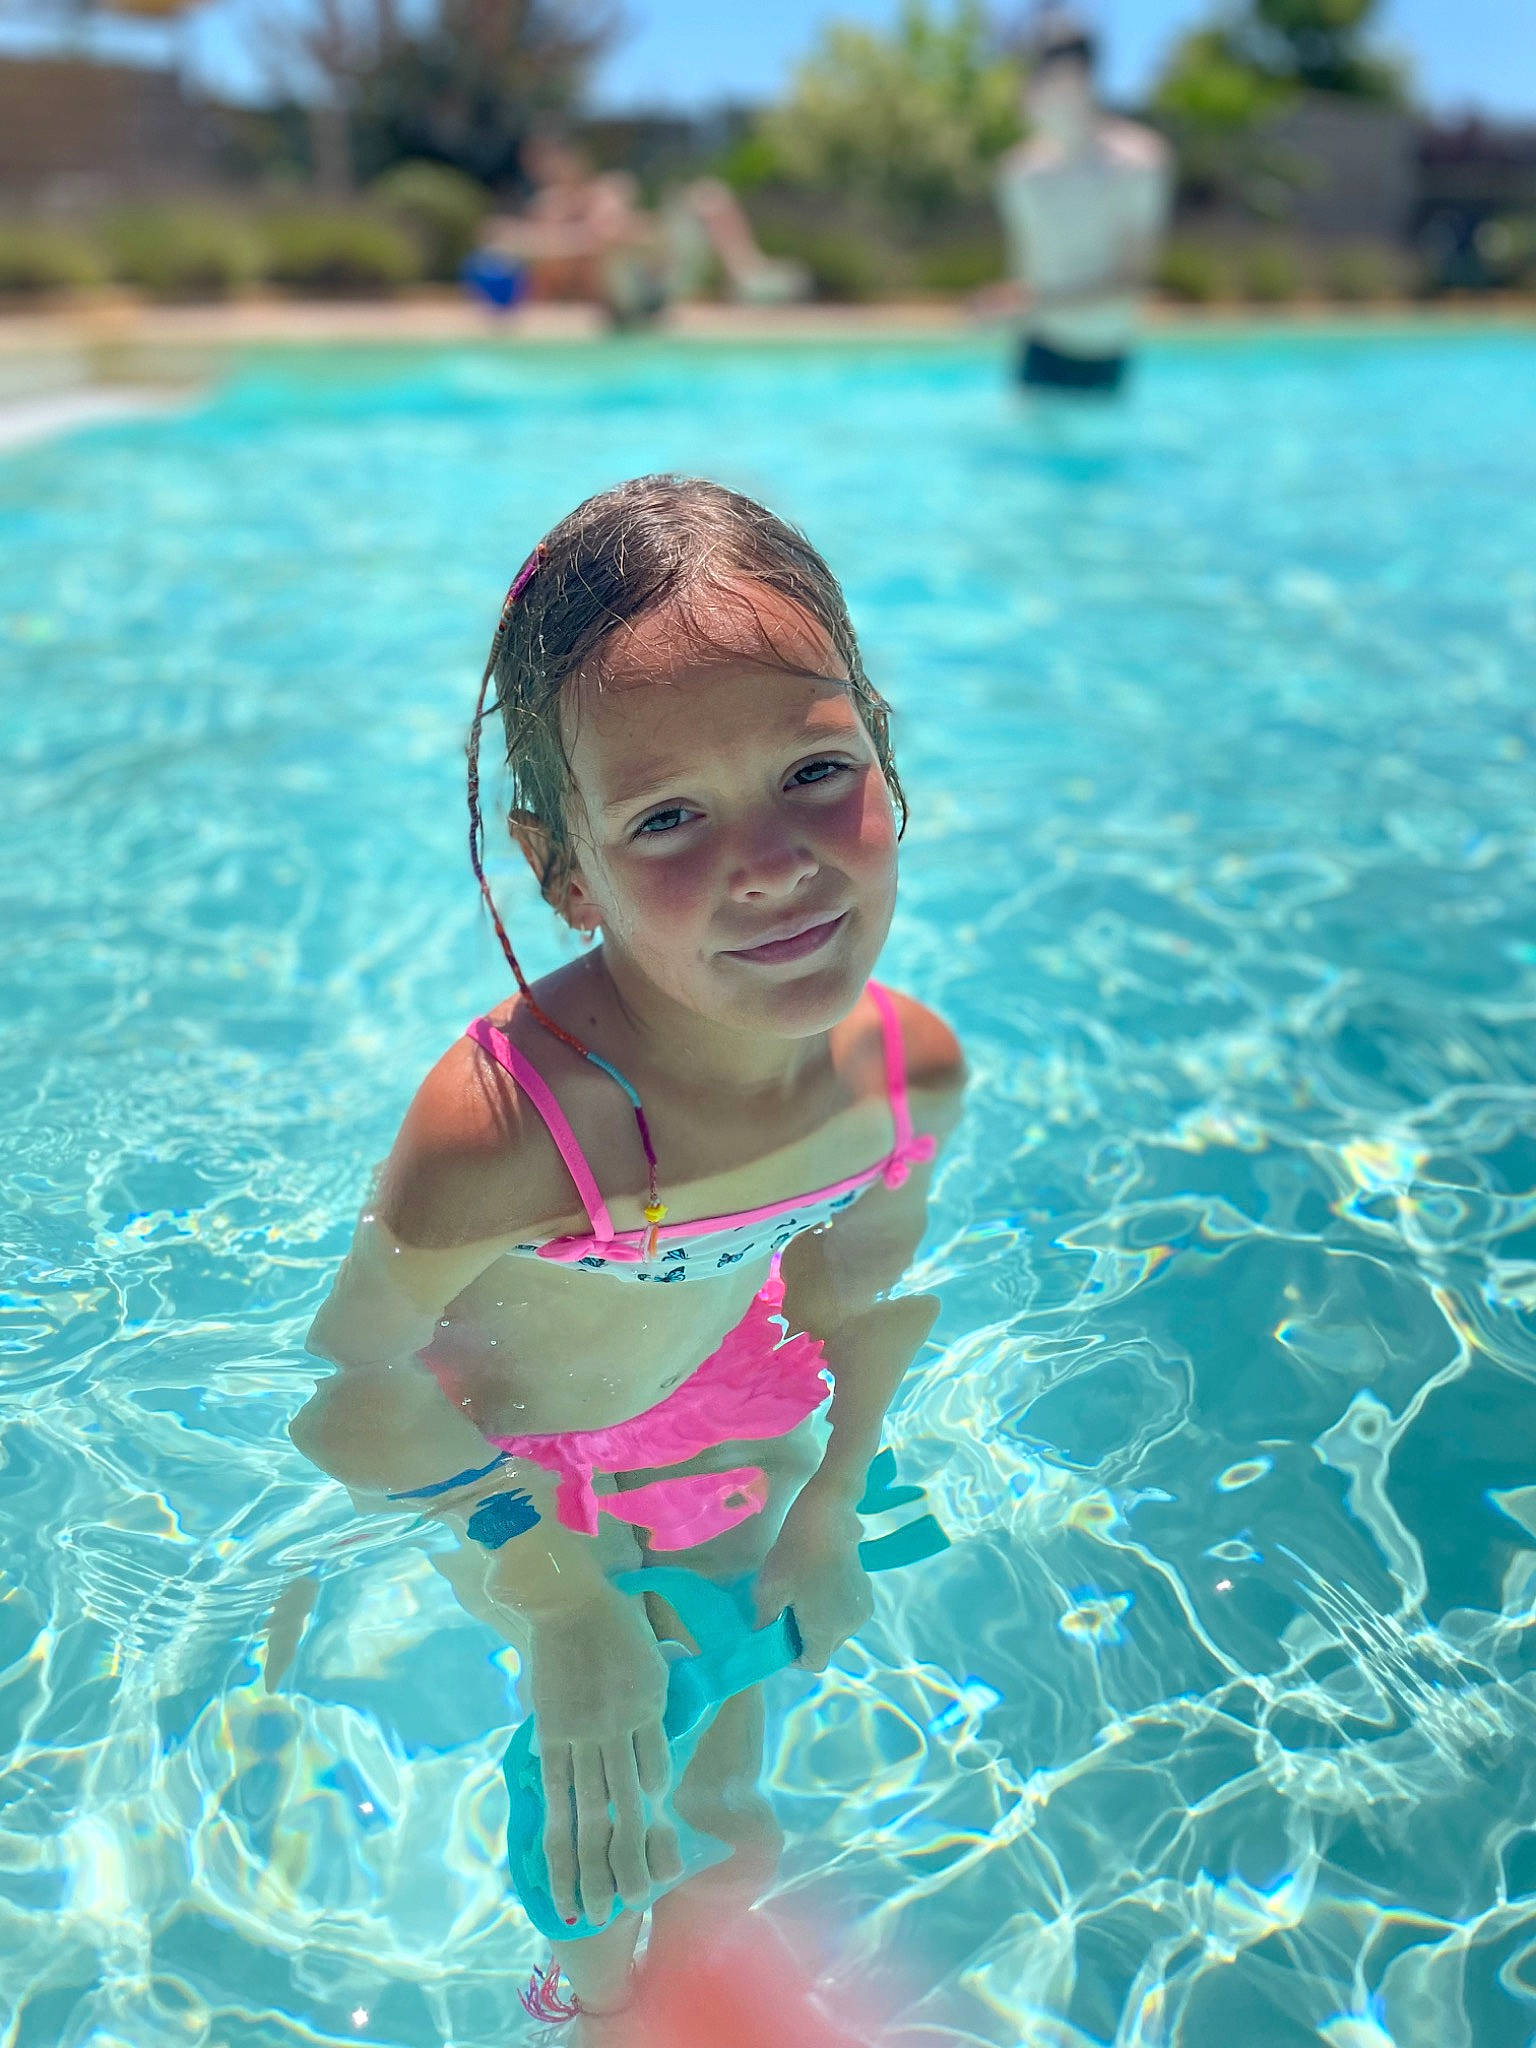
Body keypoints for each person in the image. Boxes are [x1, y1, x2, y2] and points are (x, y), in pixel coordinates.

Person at [289, 475, 964, 2039]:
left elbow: (855, 1296)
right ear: (564, 870)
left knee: (729, 1793)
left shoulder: (901, 1077)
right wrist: (565, 1605)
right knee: (601, 1852)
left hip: (729, 1411)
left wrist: (837, 1502)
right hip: (516, 1463)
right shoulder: (508, 1133)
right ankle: (590, 2015)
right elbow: (352, 1394)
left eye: (815, 770)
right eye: (669, 817)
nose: (776, 862)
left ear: (887, 751)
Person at [993, 7, 1172, 392]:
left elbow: (1133, 281)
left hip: (1104, 350)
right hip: (1038, 348)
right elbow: (1027, 274)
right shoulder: (1019, 173)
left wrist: (1029, 306)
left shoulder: (1138, 162)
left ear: (1077, 81)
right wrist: (1007, 304)